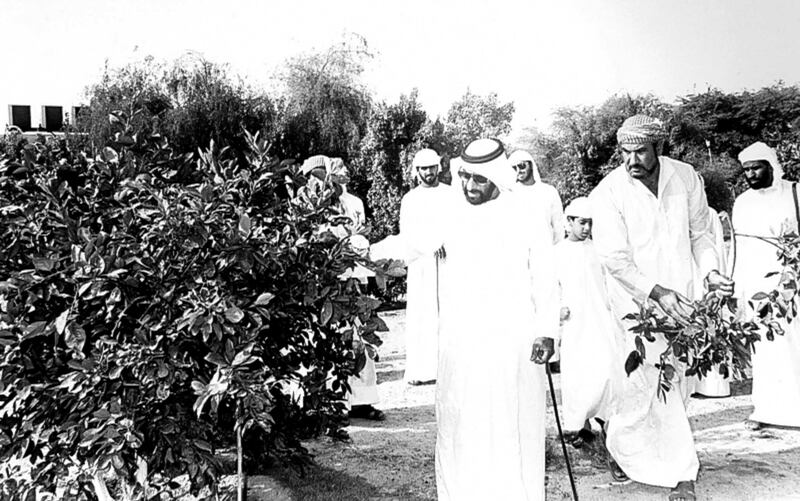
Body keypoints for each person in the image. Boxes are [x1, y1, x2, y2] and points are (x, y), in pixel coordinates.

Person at [589, 115, 733, 501]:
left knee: (679, 381)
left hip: (685, 299)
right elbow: (615, 259)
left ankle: (627, 447)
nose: (631, 160)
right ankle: (680, 471)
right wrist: (654, 292)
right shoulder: (609, 192)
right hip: (636, 305)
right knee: (642, 383)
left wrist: (712, 272)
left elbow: (701, 233)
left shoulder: (686, 177)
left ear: (659, 148)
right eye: (625, 152)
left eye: (640, 152)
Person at [435, 138, 560, 500]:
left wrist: (546, 332)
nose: (470, 187)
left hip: (511, 340)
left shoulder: (525, 214)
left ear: (496, 178)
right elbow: (411, 243)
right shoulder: (452, 212)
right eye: (465, 178)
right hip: (462, 340)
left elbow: (545, 276)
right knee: (462, 421)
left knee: (511, 423)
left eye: (479, 180)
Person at [301, 154, 385, 423]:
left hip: (353, 279)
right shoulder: (308, 204)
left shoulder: (354, 203)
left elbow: (361, 239)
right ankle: (331, 404)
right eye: (311, 179)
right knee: (326, 342)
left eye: (320, 176)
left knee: (359, 340)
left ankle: (363, 401)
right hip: (324, 286)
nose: (318, 183)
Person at [733, 141, 800, 430]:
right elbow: (738, 248)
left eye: (757, 167)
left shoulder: (794, 193)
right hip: (756, 286)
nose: (751, 174)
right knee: (765, 346)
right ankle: (767, 411)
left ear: (772, 166)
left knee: (794, 342)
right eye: (746, 170)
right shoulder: (742, 202)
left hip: (791, 283)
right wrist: (738, 289)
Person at [555, 197, 623, 449]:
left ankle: (608, 426)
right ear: (569, 221)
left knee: (605, 371)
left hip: (600, 320)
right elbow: (548, 288)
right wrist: (556, 310)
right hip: (574, 325)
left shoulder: (598, 249)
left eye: (590, 223)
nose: (587, 229)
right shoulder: (557, 252)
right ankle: (580, 425)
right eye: (582, 223)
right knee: (577, 374)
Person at [399, 148, 454, 385]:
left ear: (438, 168)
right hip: (421, 263)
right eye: (423, 168)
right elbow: (407, 234)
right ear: (416, 171)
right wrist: (429, 246)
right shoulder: (410, 199)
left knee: (448, 313)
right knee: (422, 314)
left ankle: (449, 370)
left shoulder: (452, 195)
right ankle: (421, 370)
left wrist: (445, 243)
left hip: (448, 262)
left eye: (432, 167)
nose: (428, 173)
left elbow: (459, 224)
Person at [508, 149, 564, 244]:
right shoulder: (510, 193)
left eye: (522, 166)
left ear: (531, 165)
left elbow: (558, 226)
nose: (518, 171)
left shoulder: (549, 191)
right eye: (514, 168)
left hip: (544, 250)